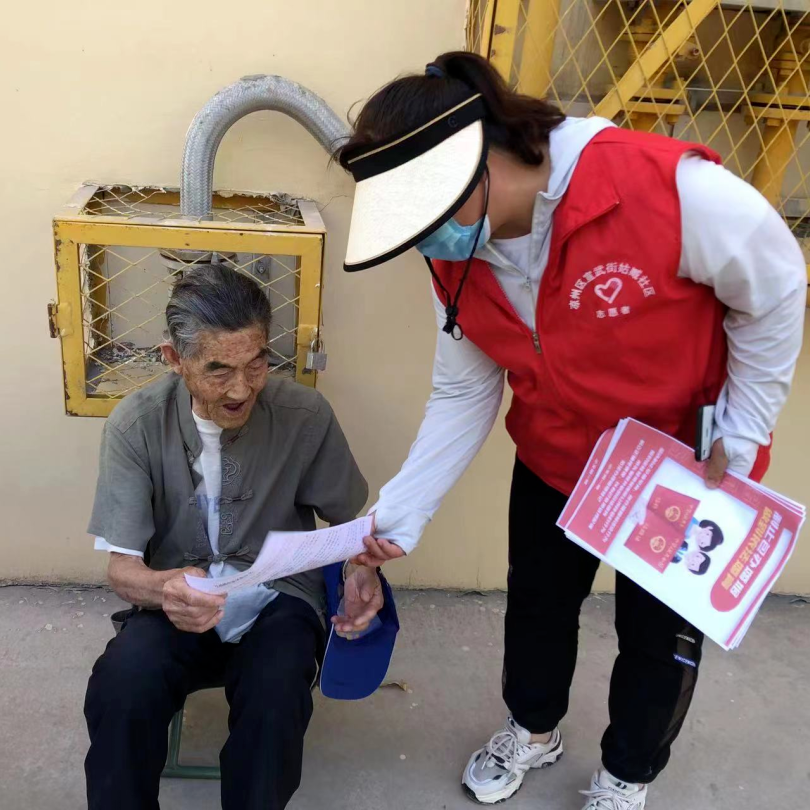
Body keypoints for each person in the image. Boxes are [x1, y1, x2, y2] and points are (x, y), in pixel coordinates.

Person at [335, 51, 806, 809]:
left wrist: (746, 427)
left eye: (428, 221)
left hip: (681, 463)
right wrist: (395, 520)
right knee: (538, 608)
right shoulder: (456, 254)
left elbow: (775, 285)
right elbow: (464, 390)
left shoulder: (663, 189)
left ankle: (628, 775)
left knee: (658, 636)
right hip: (556, 455)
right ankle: (532, 729)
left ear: (481, 161)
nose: (427, 244)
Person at [84, 265, 384, 810]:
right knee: (121, 685)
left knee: (276, 693)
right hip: (177, 603)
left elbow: (350, 526)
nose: (241, 389)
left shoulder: (304, 415)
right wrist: (165, 589)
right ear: (174, 359)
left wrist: (361, 570)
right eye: (218, 369)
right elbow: (122, 570)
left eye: (257, 363)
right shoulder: (136, 425)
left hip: (279, 598)